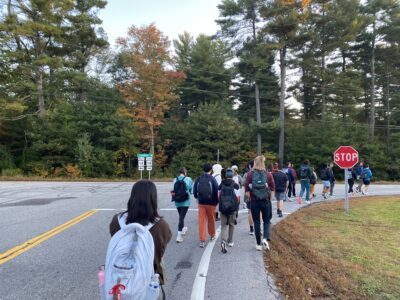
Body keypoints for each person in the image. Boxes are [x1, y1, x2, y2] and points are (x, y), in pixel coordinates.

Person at [109, 180, 172, 286]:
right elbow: (162, 247)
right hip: (148, 280)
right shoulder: (161, 226)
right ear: (153, 199)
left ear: (132, 197)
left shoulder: (117, 220)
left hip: (120, 279)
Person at [245, 155, 275, 251]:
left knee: (257, 222)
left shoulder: (250, 174)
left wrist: (250, 199)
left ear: (255, 163)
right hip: (265, 200)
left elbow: (247, 191)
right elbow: (272, 189)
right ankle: (265, 239)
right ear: (263, 163)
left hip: (254, 201)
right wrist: (270, 200)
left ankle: (258, 244)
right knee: (266, 220)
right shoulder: (268, 174)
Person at [193, 163, 219, 248]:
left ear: (203, 170)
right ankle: (212, 235)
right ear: (211, 170)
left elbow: (194, 190)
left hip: (201, 202)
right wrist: (216, 201)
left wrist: (197, 197)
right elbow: (216, 191)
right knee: (211, 219)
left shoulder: (198, 178)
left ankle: (202, 240)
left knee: (202, 221)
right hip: (211, 203)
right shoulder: (212, 179)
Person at [218, 168, 240, 253]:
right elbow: (237, 198)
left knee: (224, 226)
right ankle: (230, 241)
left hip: (223, 208)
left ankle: (223, 241)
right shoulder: (235, 185)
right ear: (232, 175)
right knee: (231, 224)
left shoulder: (221, 185)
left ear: (226, 175)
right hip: (232, 208)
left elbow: (218, 196)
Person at [171, 167, 192, 243]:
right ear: (185, 172)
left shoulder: (175, 179)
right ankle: (179, 235)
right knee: (181, 217)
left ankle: (182, 229)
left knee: (181, 216)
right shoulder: (188, 179)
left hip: (177, 201)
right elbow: (190, 189)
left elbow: (172, 190)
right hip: (185, 201)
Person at [242, 161, 255, 235]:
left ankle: (251, 229)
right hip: (260, 196)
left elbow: (243, 183)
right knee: (259, 212)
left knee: (250, 212)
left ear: (250, 166)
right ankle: (259, 228)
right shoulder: (262, 173)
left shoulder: (247, 174)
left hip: (250, 195)